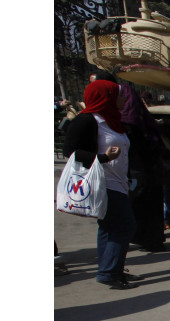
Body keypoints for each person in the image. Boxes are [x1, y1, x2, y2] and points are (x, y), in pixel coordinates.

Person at [62, 79, 140, 289]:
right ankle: (109, 271)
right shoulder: (87, 121)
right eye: (119, 95)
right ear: (107, 97)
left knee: (108, 227)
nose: (123, 99)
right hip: (103, 182)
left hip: (119, 181)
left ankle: (110, 270)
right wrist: (103, 158)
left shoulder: (112, 120)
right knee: (125, 225)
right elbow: (70, 153)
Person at [120, 83, 169, 253]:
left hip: (140, 174)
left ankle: (147, 238)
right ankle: (152, 239)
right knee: (149, 208)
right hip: (149, 173)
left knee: (142, 207)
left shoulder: (127, 124)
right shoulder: (143, 121)